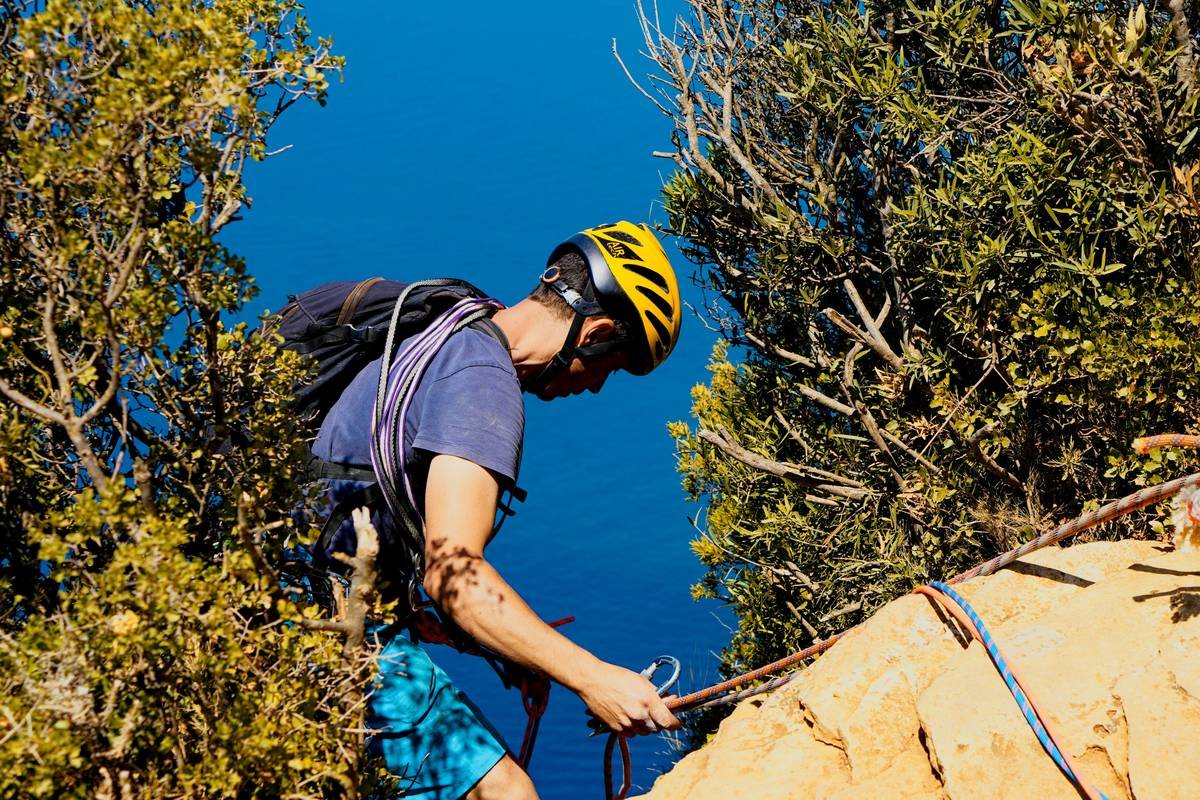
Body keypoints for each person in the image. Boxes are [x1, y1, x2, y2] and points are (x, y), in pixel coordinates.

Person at [310, 221, 684, 799]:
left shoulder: (451, 326)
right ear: (597, 332)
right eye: (612, 366)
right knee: (504, 793)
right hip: (325, 616)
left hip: (286, 585)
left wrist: (504, 646)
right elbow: (453, 573)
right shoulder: (483, 381)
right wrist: (592, 678)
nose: (597, 389)